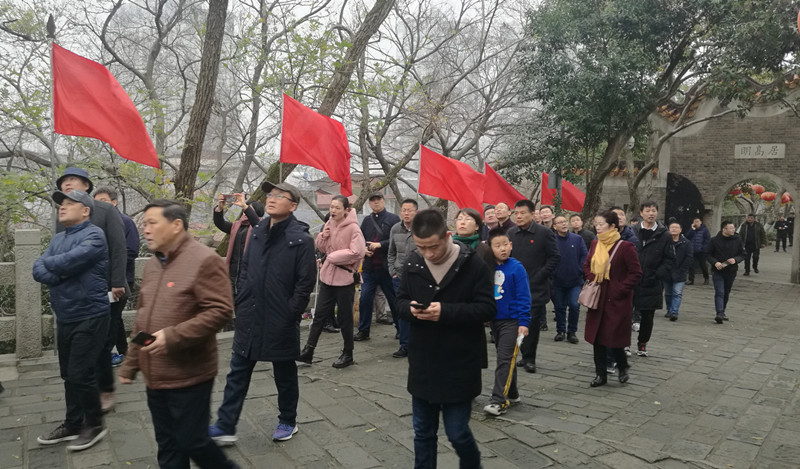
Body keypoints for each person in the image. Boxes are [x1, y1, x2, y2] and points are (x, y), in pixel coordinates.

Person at [117, 199, 238, 469]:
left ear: (176, 225)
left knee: (193, 441)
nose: (145, 229)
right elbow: (143, 319)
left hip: (189, 373)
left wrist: (172, 337)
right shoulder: (152, 264)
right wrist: (130, 363)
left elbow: (220, 311)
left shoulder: (204, 259)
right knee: (168, 446)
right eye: (144, 223)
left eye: (152, 223)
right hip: (155, 374)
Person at [209, 181, 316, 445]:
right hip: (250, 313)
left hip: (281, 318)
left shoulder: (301, 240)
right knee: (237, 372)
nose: (272, 198)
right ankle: (225, 425)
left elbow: (305, 283)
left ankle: (288, 420)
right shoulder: (256, 232)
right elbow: (245, 268)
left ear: (293, 206)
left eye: (280, 195)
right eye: (270, 194)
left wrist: (291, 313)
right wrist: (243, 298)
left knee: (284, 373)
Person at [396, 209, 495, 469]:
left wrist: (446, 312)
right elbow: (400, 301)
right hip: (423, 361)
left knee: (457, 432)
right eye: (421, 247)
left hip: (459, 362)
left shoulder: (472, 264)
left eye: (434, 247)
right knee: (423, 432)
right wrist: (411, 310)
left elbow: (487, 308)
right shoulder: (414, 263)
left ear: (447, 236)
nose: (428, 254)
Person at [34, 190, 110, 451]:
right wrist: (60, 272)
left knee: (80, 373)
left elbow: (69, 261)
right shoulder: (57, 238)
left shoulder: (94, 235)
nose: (62, 207)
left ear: (85, 210)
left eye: (69, 203)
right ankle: (73, 423)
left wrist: (53, 266)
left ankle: (95, 424)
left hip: (90, 314)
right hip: (65, 314)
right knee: (69, 375)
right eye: (61, 204)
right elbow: (38, 270)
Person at [56, 167, 127, 413]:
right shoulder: (63, 213)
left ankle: (105, 389)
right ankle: (85, 392)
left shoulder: (105, 210)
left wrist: (117, 281)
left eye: (72, 179)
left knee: (103, 341)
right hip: (77, 290)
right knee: (83, 345)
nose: (67, 183)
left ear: (86, 185)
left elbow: (118, 247)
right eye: (64, 181)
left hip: (108, 288)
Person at [298, 195, 365, 367]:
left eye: (337, 208)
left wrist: (333, 257)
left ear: (346, 210)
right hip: (327, 277)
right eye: (331, 207)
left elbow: (358, 252)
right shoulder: (329, 223)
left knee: (344, 318)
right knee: (319, 315)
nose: (333, 210)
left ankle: (348, 353)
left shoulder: (354, 228)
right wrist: (323, 236)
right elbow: (321, 247)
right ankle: (308, 350)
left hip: (345, 279)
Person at [583, 210, 642, 388]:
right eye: (596, 224)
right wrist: (593, 279)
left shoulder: (625, 247)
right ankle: (600, 374)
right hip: (598, 297)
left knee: (613, 336)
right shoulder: (595, 244)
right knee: (597, 337)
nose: (598, 227)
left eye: (601, 224)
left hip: (617, 300)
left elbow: (635, 272)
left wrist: (619, 289)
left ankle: (622, 366)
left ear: (612, 226)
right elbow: (587, 265)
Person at [507, 199, 560, 372]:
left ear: (532, 214)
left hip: (535, 286)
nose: (519, 216)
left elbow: (554, 257)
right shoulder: (511, 233)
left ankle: (530, 358)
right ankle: (523, 354)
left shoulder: (544, 233)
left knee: (531, 322)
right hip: (514, 286)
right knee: (516, 321)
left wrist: (540, 275)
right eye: (516, 213)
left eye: (522, 213)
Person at [483, 228, 530, 416]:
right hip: (494, 321)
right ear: (490, 248)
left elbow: (524, 296)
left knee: (504, 358)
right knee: (507, 358)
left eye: (505, 244)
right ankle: (513, 393)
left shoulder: (517, 268)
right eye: (497, 246)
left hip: (512, 321)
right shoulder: (487, 267)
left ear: (511, 245)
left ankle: (498, 401)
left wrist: (524, 322)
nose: (502, 249)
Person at [94, 186, 140, 368]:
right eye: (96, 202)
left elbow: (131, 250)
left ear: (114, 202)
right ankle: (125, 353)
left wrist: (112, 266)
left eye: (103, 201)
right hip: (103, 280)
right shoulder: (96, 223)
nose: (99, 205)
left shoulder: (125, 221)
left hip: (122, 280)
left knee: (112, 318)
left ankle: (105, 355)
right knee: (115, 318)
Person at [355, 193, 400, 341]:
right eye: (372, 201)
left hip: (387, 268)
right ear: (369, 204)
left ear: (383, 201)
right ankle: (363, 330)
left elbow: (396, 240)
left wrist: (380, 244)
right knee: (364, 300)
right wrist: (364, 249)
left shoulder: (393, 219)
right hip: (369, 268)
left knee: (393, 300)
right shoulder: (367, 220)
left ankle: (400, 329)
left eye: (378, 200)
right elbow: (360, 239)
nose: (376, 203)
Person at [630, 202, 674, 357]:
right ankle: (624, 344)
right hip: (631, 280)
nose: (651, 213)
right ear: (641, 213)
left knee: (648, 316)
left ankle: (642, 343)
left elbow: (670, 259)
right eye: (648, 211)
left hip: (652, 281)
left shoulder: (665, 235)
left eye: (653, 211)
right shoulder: (632, 232)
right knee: (625, 313)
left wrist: (657, 274)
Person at [212, 192, 265, 295]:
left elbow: (257, 225)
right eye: (244, 208)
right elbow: (220, 224)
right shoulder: (237, 226)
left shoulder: (262, 227)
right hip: (233, 273)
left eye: (248, 209)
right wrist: (219, 208)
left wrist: (245, 206)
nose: (245, 211)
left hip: (249, 276)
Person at [388, 199, 419, 358]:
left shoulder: (422, 228)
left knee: (419, 309)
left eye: (409, 210)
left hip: (418, 276)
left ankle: (419, 342)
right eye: (404, 210)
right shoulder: (395, 228)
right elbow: (391, 252)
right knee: (403, 310)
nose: (406, 213)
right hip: (399, 276)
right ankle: (405, 345)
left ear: (416, 212)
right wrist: (392, 271)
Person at [551, 216, 588, 344]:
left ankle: (572, 332)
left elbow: (584, 255)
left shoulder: (577, 239)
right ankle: (560, 331)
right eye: (560, 222)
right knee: (559, 307)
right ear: (554, 226)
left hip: (575, 280)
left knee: (574, 305)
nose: (563, 224)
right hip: (558, 280)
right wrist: (553, 272)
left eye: (564, 221)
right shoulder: (552, 240)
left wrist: (579, 269)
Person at [706, 221, 745, 324]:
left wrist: (735, 259)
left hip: (731, 271)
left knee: (726, 292)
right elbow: (707, 254)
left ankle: (722, 311)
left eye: (733, 228)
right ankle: (719, 313)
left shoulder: (737, 240)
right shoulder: (714, 240)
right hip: (718, 271)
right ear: (724, 229)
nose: (733, 230)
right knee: (720, 292)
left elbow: (743, 254)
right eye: (731, 228)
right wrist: (715, 262)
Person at [663, 219, 693, 322]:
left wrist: (683, 269)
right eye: (672, 227)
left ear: (680, 230)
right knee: (668, 293)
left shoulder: (686, 243)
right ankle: (669, 309)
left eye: (676, 227)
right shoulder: (665, 242)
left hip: (680, 272)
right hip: (667, 272)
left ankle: (674, 312)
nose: (674, 229)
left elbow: (689, 257)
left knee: (677, 293)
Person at [685, 217, 711, 285]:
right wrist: (692, 230)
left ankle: (706, 278)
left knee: (703, 265)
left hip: (701, 251)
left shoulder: (705, 230)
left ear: (700, 222)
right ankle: (691, 279)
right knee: (691, 265)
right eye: (694, 222)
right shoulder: (692, 230)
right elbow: (687, 237)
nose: (696, 223)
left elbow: (707, 240)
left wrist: (703, 248)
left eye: (697, 221)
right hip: (692, 250)